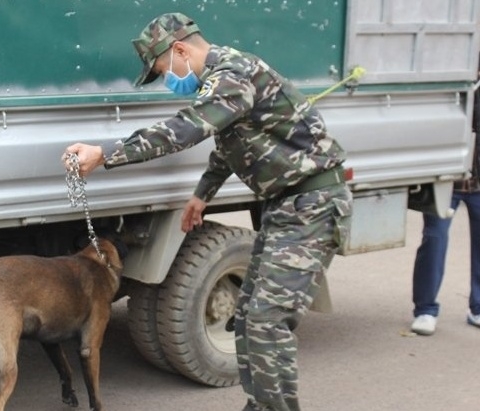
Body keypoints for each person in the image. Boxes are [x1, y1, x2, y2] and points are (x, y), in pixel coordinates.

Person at [63, 13, 352, 411]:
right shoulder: (224, 78)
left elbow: (187, 129)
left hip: (311, 205)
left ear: (180, 49)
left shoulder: (231, 75)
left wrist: (106, 153)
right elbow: (231, 143)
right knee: (249, 316)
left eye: (164, 69)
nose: (169, 78)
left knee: (267, 322)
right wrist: (202, 195)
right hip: (286, 204)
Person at [410, 59, 480, 336]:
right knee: (434, 241)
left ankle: (477, 307)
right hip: (447, 182)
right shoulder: (452, 83)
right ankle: (425, 309)